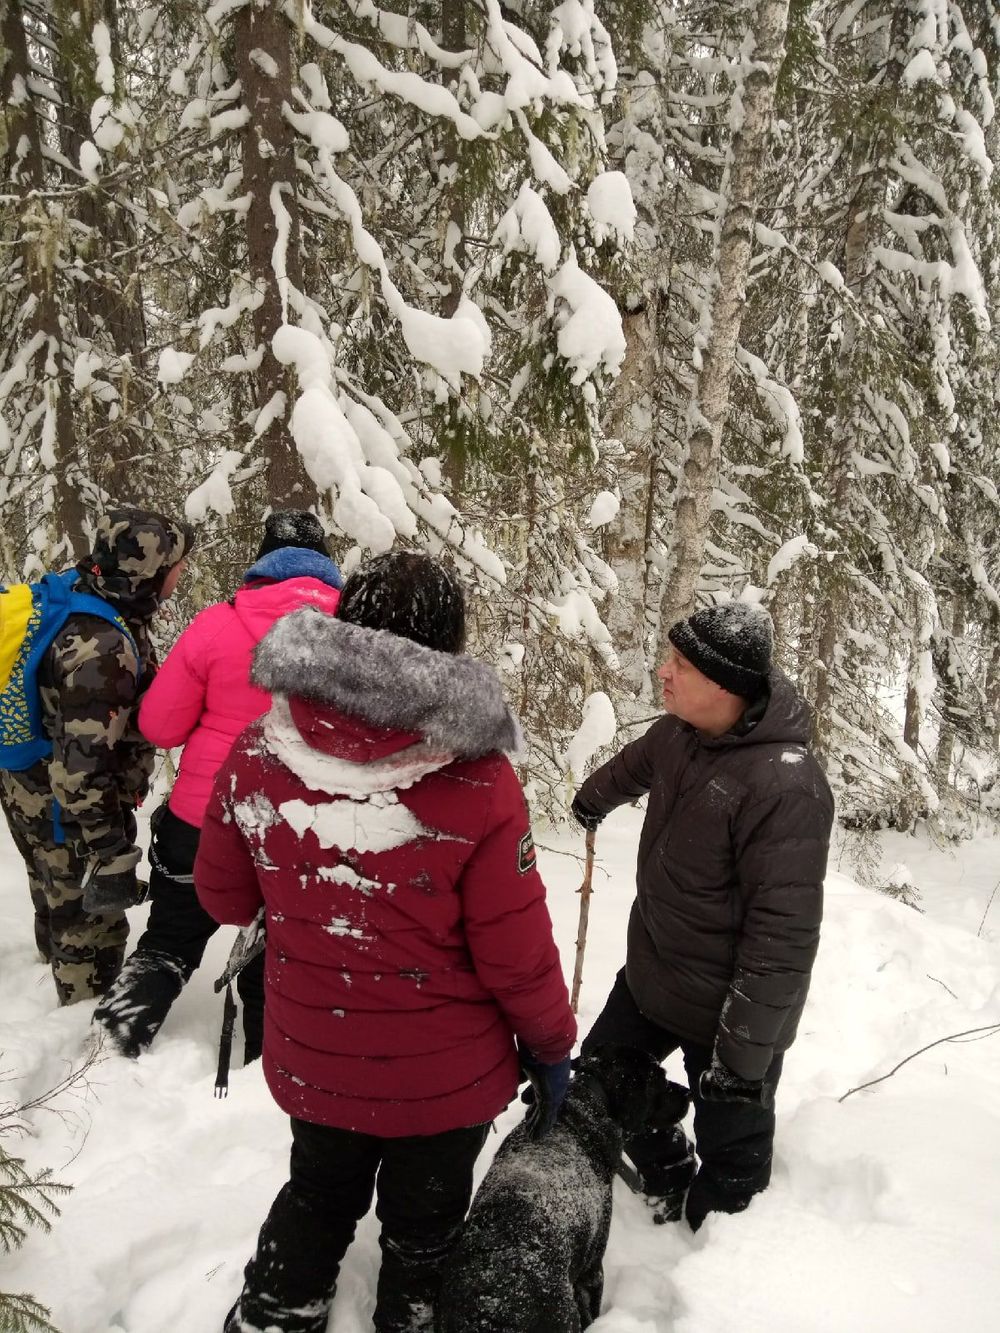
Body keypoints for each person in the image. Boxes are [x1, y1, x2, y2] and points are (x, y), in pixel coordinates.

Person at [194, 551, 576, 1333]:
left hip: (315, 1054)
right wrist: (550, 1044)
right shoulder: (480, 778)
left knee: (317, 1194)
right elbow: (515, 948)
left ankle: (275, 1313)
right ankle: (411, 1314)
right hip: (447, 1081)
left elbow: (223, 894)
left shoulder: (260, 747)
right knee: (426, 1228)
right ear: (447, 644)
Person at [571, 601, 834, 1230]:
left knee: (732, 1172)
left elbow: (783, 941)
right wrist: (591, 801)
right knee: (601, 1089)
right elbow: (634, 765)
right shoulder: (679, 733)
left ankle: (719, 1261)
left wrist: (739, 1067)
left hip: (729, 1019)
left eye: (680, 665)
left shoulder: (785, 786)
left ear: (726, 685)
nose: (663, 673)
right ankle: (665, 1172)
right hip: (653, 974)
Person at [93, 511, 343, 1060]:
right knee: (283, 957)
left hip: (204, 819)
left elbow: (158, 726)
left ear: (263, 563)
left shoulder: (216, 623)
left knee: (167, 943)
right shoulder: (355, 635)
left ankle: (105, 1057)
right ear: (325, 564)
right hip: (304, 827)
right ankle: (265, 1077)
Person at [0, 509, 192, 1005]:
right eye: (176, 563)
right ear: (148, 568)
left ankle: (54, 968)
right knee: (90, 927)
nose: (182, 572)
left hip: (27, 782)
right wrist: (110, 851)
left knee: (53, 889)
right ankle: (81, 1031)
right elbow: (81, 774)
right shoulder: (101, 648)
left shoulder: (93, 590)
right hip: (65, 808)